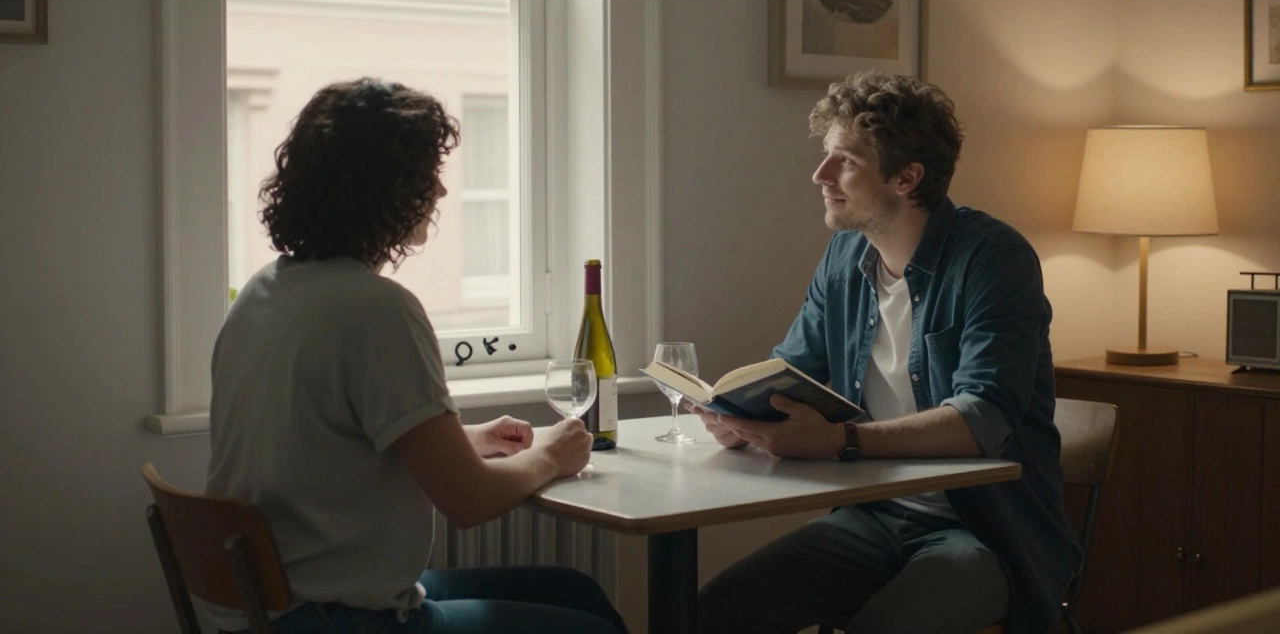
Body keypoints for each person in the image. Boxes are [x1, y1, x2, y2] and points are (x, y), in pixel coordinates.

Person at [203, 78, 627, 634]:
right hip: (335, 620)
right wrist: (553, 455)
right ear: (389, 191)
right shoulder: (377, 310)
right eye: (428, 177)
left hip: (269, 608)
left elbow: (325, 445)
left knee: (577, 593)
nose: (440, 194)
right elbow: (469, 501)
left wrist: (465, 440)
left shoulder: (265, 292)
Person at [693, 72, 1080, 634]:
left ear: (907, 177)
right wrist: (740, 412)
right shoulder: (845, 256)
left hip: (986, 533)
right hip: (872, 517)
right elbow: (793, 371)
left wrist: (840, 441)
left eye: (843, 161)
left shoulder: (994, 260)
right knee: (711, 615)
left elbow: (984, 417)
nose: (820, 176)